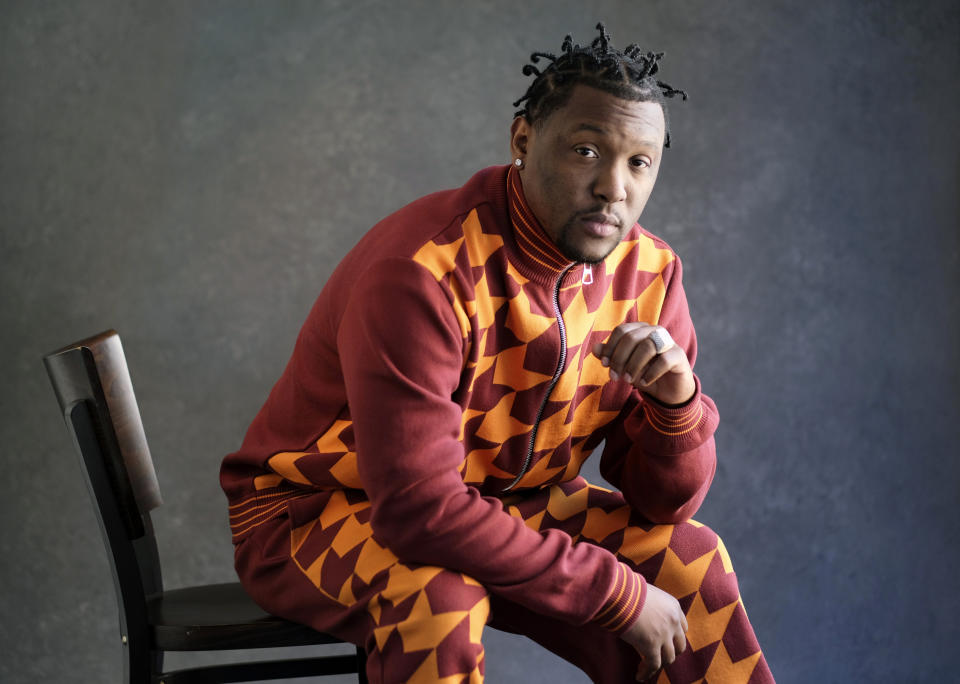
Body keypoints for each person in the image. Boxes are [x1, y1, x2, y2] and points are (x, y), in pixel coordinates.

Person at [220, 23, 774, 684]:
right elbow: (418, 509)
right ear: (522, 140)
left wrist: (676, 407)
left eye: (638, 162)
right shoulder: (423, 271)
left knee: (692, 561)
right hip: (315, 511)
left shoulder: (650, 275)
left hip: (510, 502)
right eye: (586, 150)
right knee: (439, 600)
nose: (613, 188)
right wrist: (618, 595)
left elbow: (663, 505)